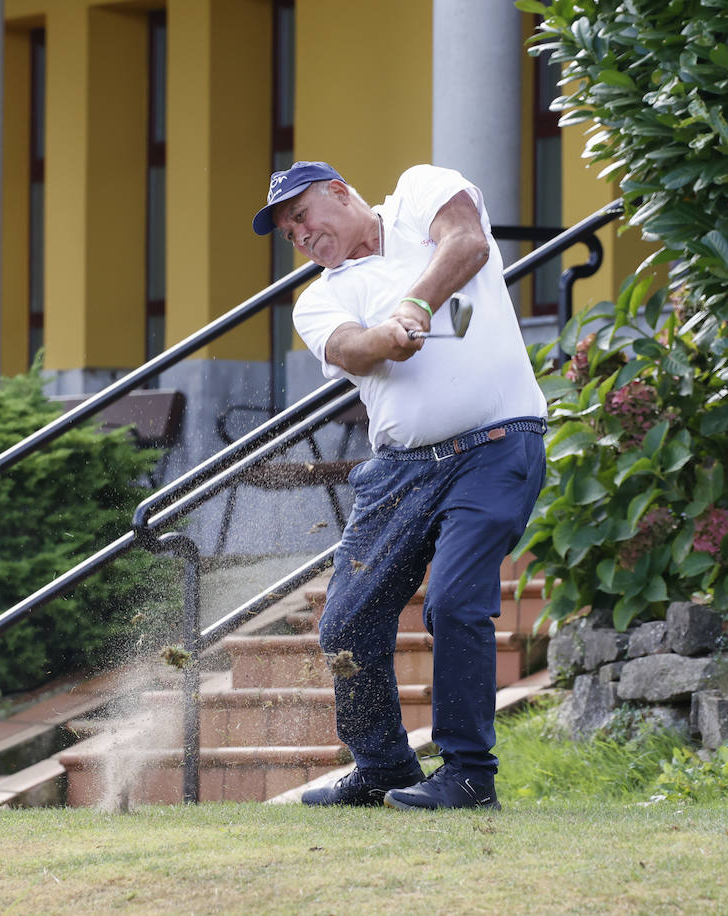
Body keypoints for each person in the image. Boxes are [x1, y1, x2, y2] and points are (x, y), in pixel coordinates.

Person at [252, 162, 548, 810]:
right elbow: (352, 349)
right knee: (348, 621)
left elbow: (466, 243)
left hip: (498, 444)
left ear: (338, 191)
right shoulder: (318, 297)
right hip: (401, 469)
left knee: (454, 602)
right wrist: (383, 337)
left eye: (302, 215)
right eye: (287, 231)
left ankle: (469, 775)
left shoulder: (419, 193)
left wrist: (415, 305)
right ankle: (383, 767)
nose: (299, 235)